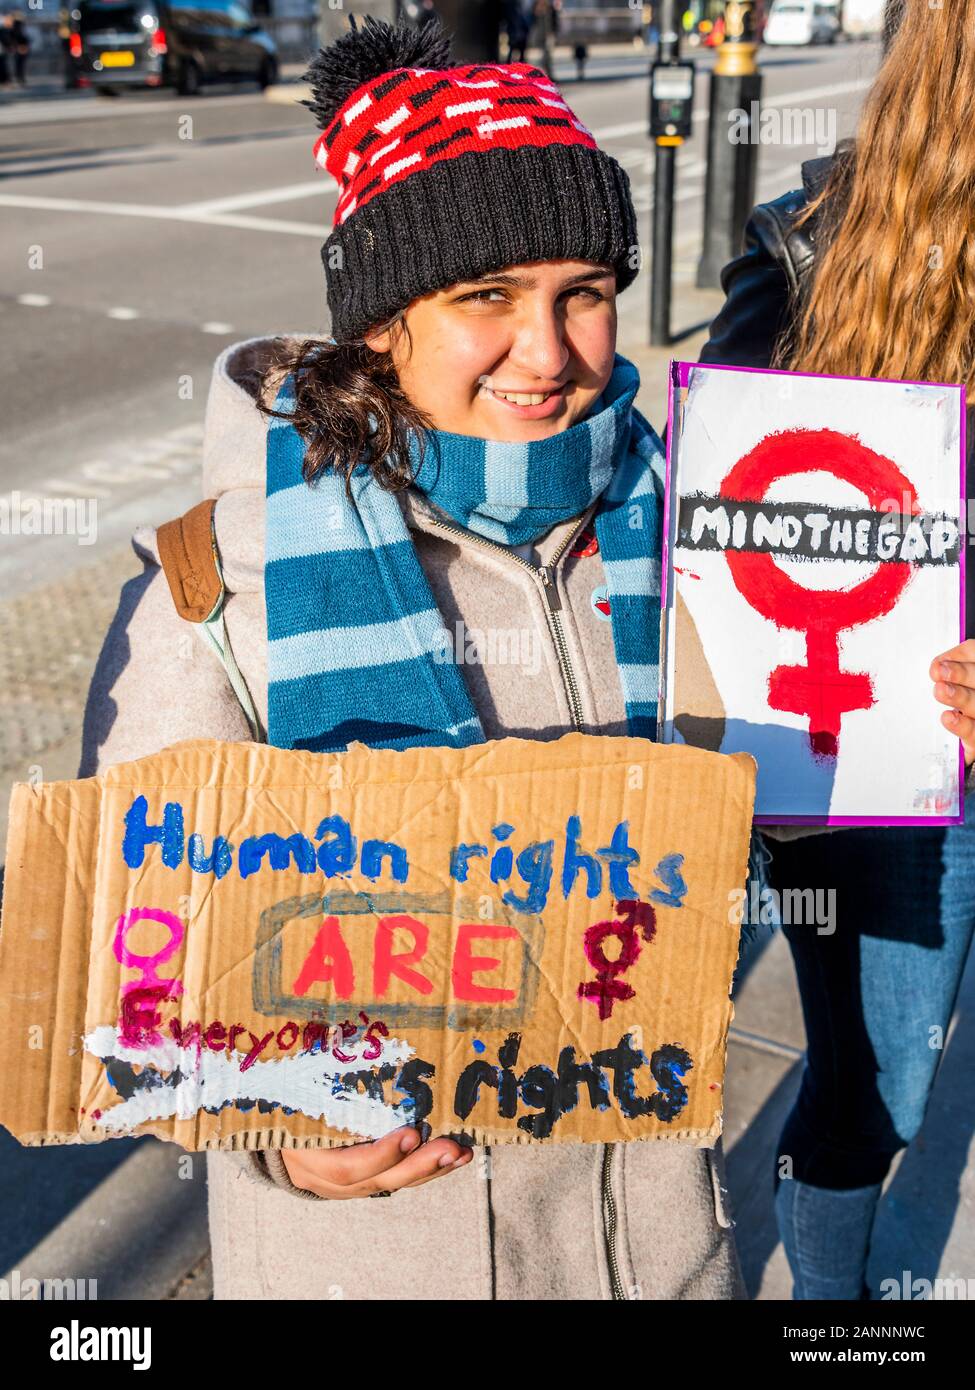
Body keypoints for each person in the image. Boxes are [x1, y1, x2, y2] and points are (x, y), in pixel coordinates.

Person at [79, 12, 973, 1302]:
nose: (547, 354)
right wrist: (279, 1139)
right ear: (380, 318)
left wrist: (925, 715)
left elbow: (797, 812)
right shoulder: (219, 590)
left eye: (585, 295)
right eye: (483, 297)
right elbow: (128, 977)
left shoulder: (692, 543)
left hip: (653, 1254)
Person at [699, 0, 975, 1299]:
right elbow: (722, 509)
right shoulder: (807, 248)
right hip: (873, 757)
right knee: (877, 1078)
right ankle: (828, 1310)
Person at [0, 12, 30, 88]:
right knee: (7, 65)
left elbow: (21, 38)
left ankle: (15, 80)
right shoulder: (6, 29)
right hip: (9, 49)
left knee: (16, 65)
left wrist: (20, 46)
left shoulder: (17, 26)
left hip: (15, 49)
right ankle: (8, 80)